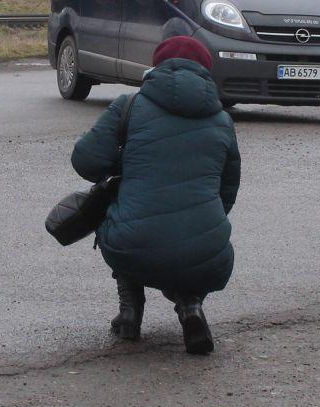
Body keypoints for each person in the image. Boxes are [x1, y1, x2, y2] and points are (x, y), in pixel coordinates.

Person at [71, 36, 241, 355]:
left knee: (119, 211)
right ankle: (191, 307)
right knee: (185, 234)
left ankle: (130, 314)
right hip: (208, 253)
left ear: (156, 67)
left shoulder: (129, 106)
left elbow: (85, 161)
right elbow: (227, 191)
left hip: (133, 246)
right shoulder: (223, 120)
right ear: (206, 72)